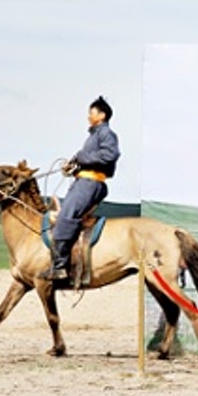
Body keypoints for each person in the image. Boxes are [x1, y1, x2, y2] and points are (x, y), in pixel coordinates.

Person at [50, 96, 119, 286]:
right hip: (83, 181)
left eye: (91, 112)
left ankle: (61, 267)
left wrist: (81, 157)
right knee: (63, 214)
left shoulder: (106, 134)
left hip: (91, 183)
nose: (88, 116)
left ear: (102, 115)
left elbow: (110, 155)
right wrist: (74, 168)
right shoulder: (93, 136)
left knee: (66, 215)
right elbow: (91, 160)